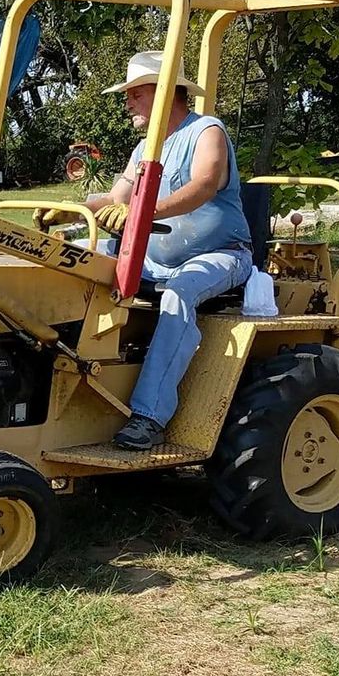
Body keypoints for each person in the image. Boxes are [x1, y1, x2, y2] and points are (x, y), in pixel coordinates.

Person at [87, 51, 253, 451]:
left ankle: (148, 416)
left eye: (137, 94)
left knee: (181, 291)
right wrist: (72, 212)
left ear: (166, 94)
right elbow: (116, 198)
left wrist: (142, 214)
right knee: (78, 258)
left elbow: (204, 184)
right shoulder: (145, 147)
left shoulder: (206, 131)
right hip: (154, 258)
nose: (128, 103)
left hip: (221, 254)